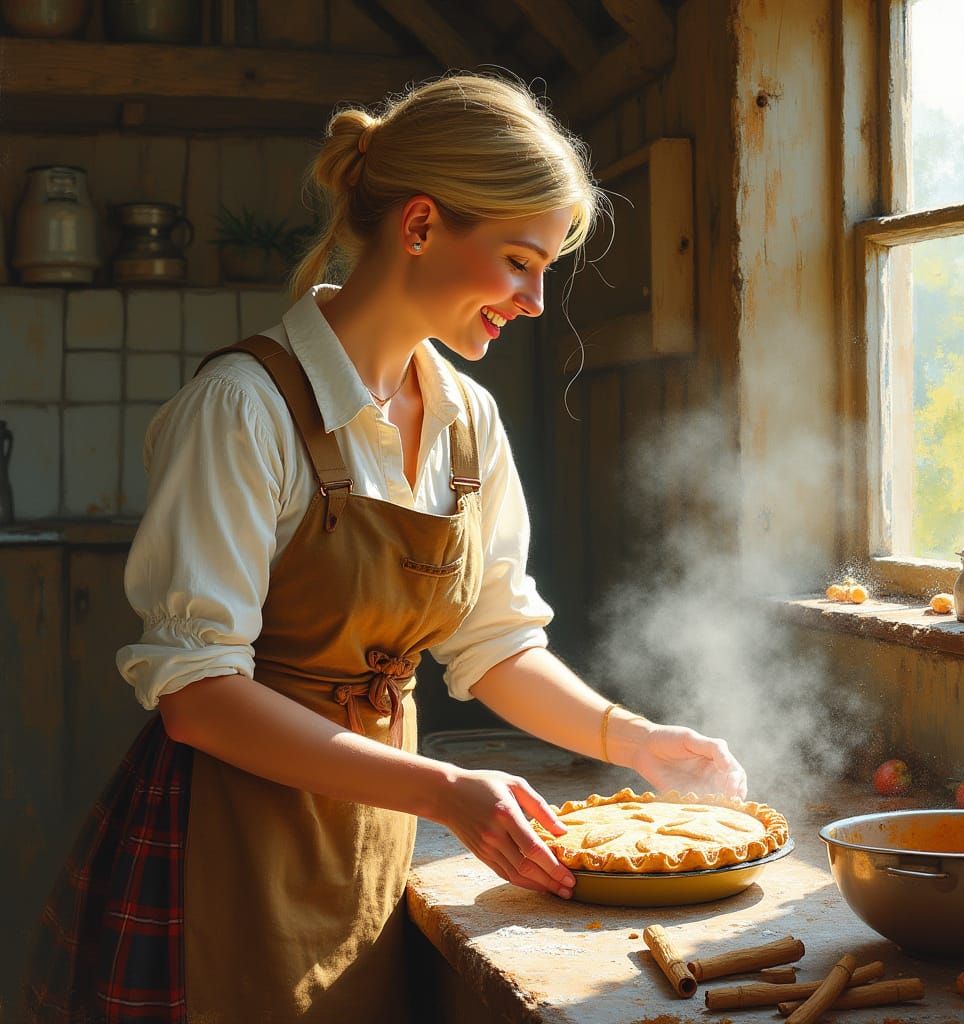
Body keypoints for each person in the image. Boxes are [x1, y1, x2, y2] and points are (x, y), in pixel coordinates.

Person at [25, 73, 746, 1023]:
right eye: (519, 262)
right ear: (420, 226)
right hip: (224, 850)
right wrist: (445, 791)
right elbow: (199, 697)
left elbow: (495, 643)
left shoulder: (466, 421)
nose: (536, 301)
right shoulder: (243, 409)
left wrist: (637, 741)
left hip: (373, 838)